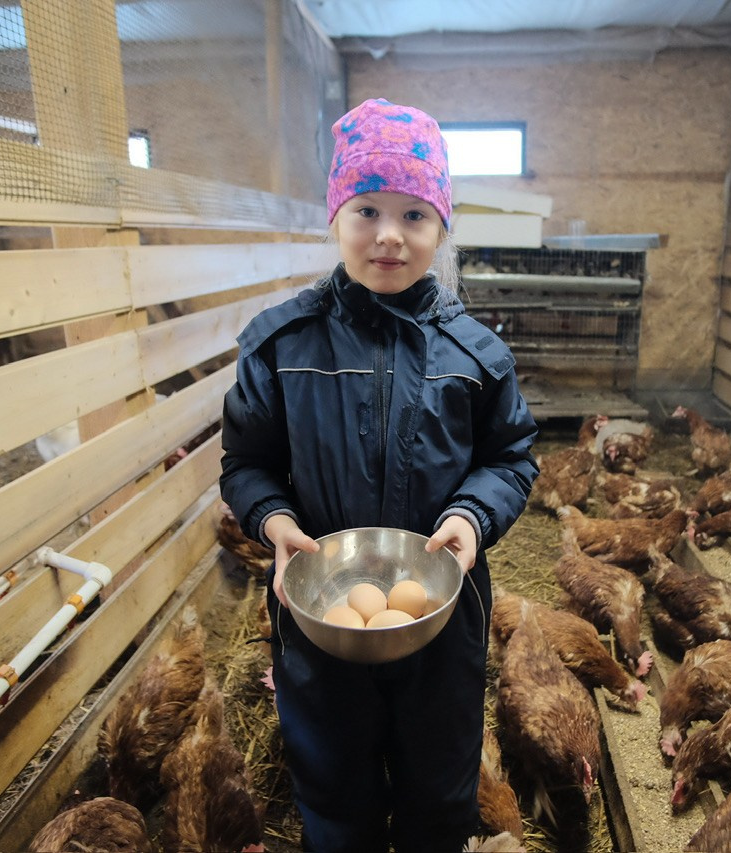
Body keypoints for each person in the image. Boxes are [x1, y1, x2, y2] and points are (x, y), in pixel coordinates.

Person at [219, 98, 539, 853]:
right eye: (367, 208)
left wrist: (469, 517)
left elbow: (510, 456)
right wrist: (274, 522)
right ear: (336, 215)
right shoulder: (280, 344)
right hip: (317, 616)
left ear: (440, 228)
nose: (389, 234)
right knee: (332, 788)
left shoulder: (478, 355)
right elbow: (247, 462)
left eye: (414, 214)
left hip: (441, 615)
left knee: (441, 786)